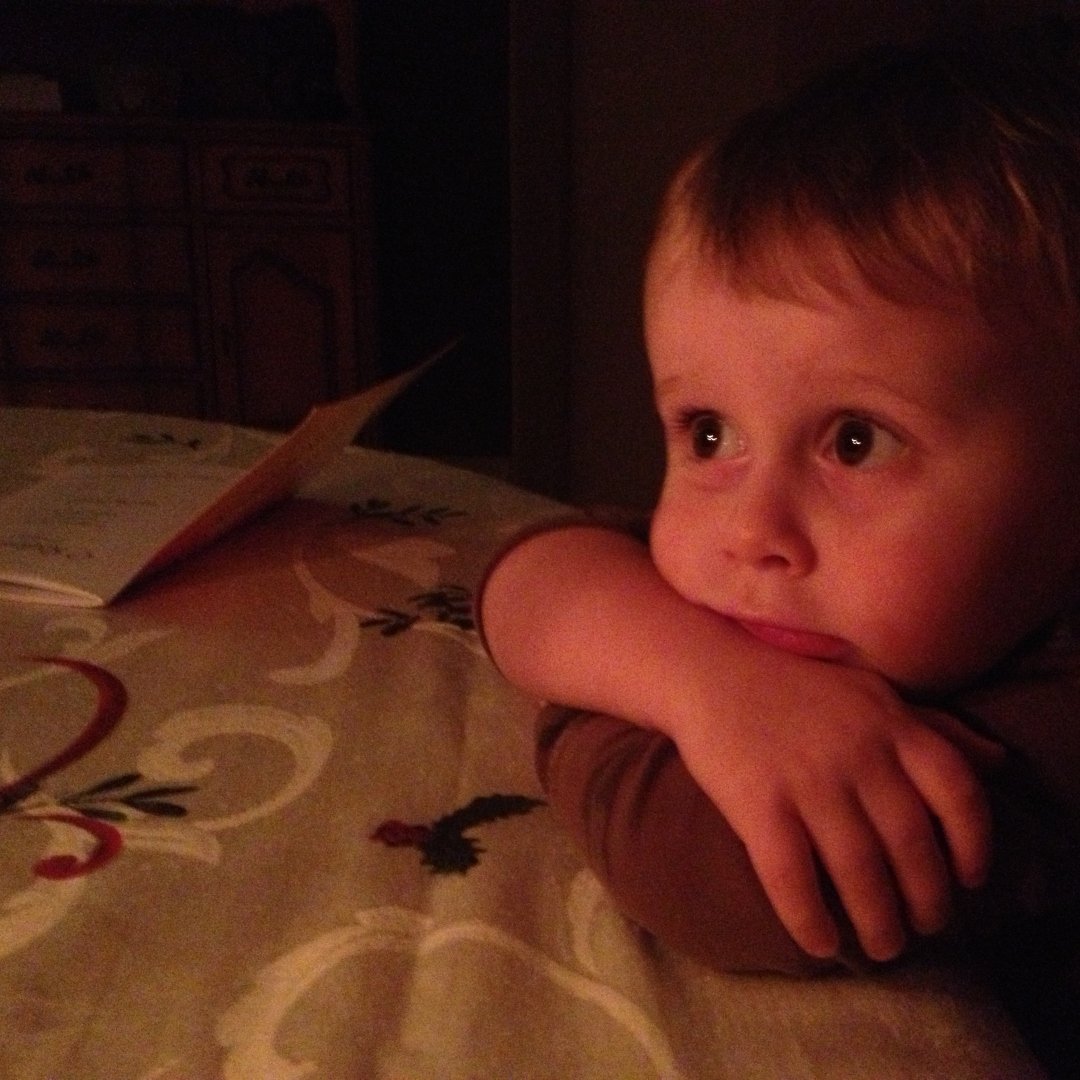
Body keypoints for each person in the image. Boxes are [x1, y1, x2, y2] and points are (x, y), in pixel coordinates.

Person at [478, 25, 1080, 976]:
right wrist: (702, 681)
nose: (752, 531)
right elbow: (527, 573)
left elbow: (699, 868)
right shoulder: (797, 595)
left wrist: (591, 698)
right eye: (708, 434)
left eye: (855, 442)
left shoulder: (1038, 746)